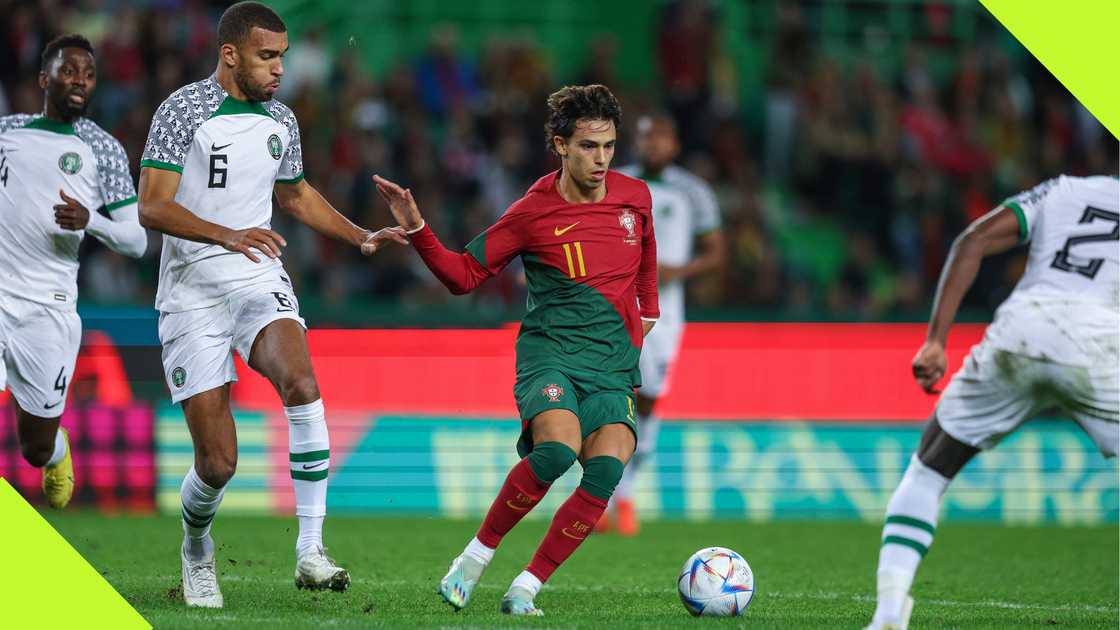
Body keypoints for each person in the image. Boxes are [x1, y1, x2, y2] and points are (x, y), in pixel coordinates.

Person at [136, 1, 405, 609]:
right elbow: (151, 205)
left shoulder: (281, 118)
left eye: (282, 55)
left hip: (258, 275)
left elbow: (297, 195)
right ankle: (197, 546)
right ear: (230, 54)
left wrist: (361, 235)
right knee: (219, 462)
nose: (279, 68)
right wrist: (225, 233)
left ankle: (310, 551)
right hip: (190, 290)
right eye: (267, 56)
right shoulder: (183, 110)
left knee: (303, 384)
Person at [373, 84, 659, 616]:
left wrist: (649, 311)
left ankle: (527, 587)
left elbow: (646, 255)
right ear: (560, 146)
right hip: (551, 354)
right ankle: (473, 561)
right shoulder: (533, 211)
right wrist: (416, 227)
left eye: (609, 146)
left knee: (607, 469)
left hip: (613, 365)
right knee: (555, 451)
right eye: (588, 147)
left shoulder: (635, 197)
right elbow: (463, 275)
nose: (601, 159)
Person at [866, 175, 1119, 630]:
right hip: (1099, 347)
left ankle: (888, 612)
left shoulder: (1062, 189)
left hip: (1023, 330)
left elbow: (973, 239)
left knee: (928, 469)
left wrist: (936, 341)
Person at [0, 34, 147, 510]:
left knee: (34, 445)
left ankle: (56, 450)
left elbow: (138, 239)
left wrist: (91, 220)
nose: (79, 81)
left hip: (49, 309)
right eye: (69, 71)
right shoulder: (8, 132)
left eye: (87, 74)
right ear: (45, 78)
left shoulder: (101, 149)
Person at [604, 113, 724, 535]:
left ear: (674, 143)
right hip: (614, 304)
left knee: (651, 398)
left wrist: (678, 271)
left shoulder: (693, 191)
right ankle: (598, 496)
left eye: (660, 137)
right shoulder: (614, 183)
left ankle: (627, 493)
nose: (652, 145)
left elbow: (715, 252)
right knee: (606, 393)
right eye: (644, 137)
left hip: (665, 313)